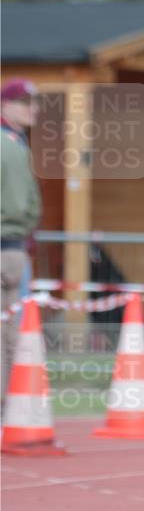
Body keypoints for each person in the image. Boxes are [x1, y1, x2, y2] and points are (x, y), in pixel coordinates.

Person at [1, 78, 42, 415]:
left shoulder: (15, 143)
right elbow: (26, 206)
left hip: (10, 245)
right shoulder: (13, 146)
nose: (33, 110)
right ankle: (14, 402)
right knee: (13, 330)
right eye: (26, 103)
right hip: (12, 247)